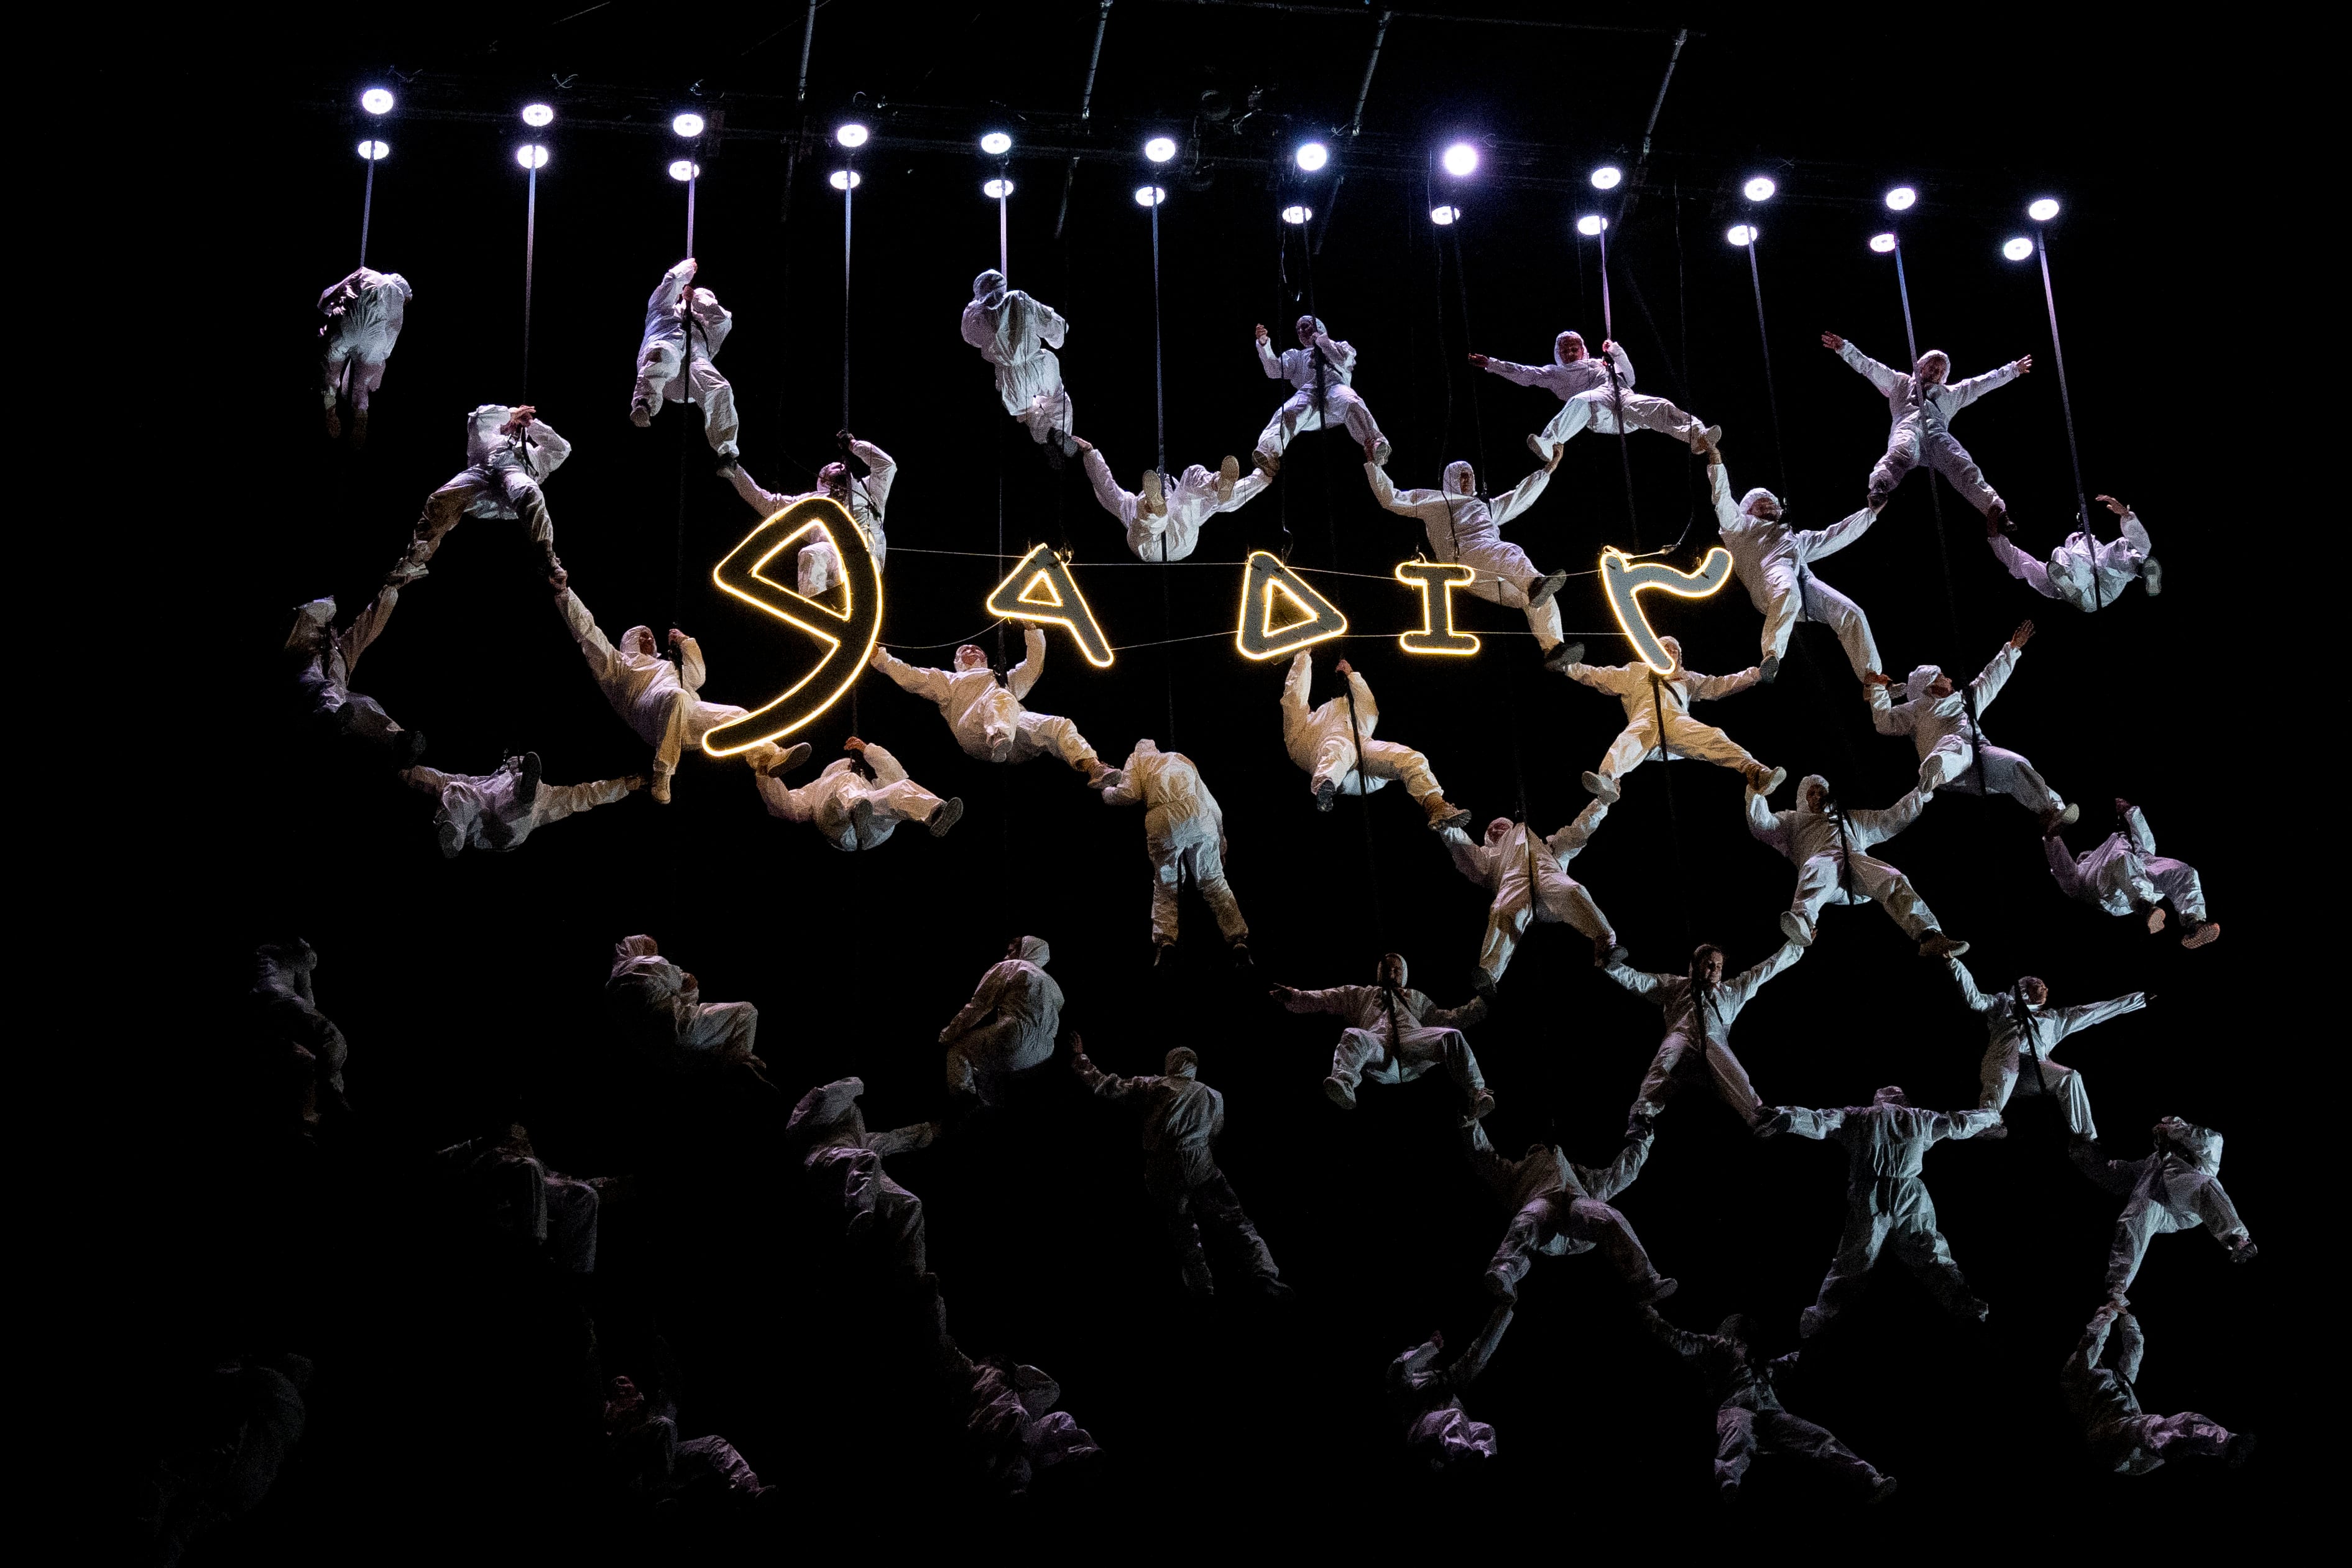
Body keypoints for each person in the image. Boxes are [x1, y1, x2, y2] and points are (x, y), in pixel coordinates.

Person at [1757, 1086, 2001, 1340]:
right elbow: (1958, 1123)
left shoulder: (1861, 1116)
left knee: (1853, 1263)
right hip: (1908, 1194)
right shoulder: (1919, 1117)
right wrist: (1991, 1117)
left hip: (1870, 1193)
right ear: (1904, 1102)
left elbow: (1821, 1121)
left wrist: (1784, 1117)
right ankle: (1968, 1311)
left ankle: (1819, 1329)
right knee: (1932, 1256)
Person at [1069, 1038, 1289, 1300]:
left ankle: (1203, 1290)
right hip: (1201, 1165)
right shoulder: (1212, 1095)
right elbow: (1214, 1135)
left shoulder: (1154, 1086)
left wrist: (1079, 1059)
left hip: (1163, 1168)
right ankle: (1264, 1274)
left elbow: (1106, 1086)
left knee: (1184, 1230)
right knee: (1237, 1223)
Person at [551, 577, 801, 804]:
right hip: (650, 716)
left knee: (736, 714)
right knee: (676, 696)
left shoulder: (669, 665)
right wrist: (564, 593)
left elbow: (698, 677)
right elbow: (587, 633)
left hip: (685, 716)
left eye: (650, 636)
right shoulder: (617, 667)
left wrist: (685, 642)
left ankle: (769, 757)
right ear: (629, 642)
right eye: (642, 637)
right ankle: (662, 774)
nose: (649, 640)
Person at [1637, 1304, 1898, 1506]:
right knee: (1738, 1431)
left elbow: (1794, 1360)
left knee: (1818, 1438)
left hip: (1771, 1415)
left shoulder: (1763, 1365)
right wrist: (1648, 1313)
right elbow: (1678, 1339)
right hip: (1735, 1408)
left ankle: (1870, 1479)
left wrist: (1821, 1334)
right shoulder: (1719, 1347)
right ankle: (1729, 1483)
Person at [1865, 621, 2077, 834]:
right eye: (1942, 677)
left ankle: (2052, 812)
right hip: (1951, 768)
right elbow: (1884, 722)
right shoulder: (1915, 709)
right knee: (1956, 744)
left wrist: (2013, 648)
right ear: (1930, 687)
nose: (1949, 679)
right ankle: (1935, 771)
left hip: (1981, 754)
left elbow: (1991, 678)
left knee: (2017, 763)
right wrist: (1878, 692)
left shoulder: (1966, 699)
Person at [1365, 448, 1573, 663]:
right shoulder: (1438, 501)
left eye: (1469, 477)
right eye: (1461, 477)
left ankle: (1554, 650)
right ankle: (1533, 582)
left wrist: (1549, 468)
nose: (1466, 481)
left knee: (1531, 597)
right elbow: (1393, 499)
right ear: (1451, 479)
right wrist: (1373, 466)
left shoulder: (1486, 507)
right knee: (1512, 554)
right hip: (1464, 557)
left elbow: (1520, 497)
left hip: (1485, 574)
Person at [1706, 448, 1883, 683]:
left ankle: (1872, 677)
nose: (1768, 506)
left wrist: (1870, 514)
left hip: (1802, 583)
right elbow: (1723, 501)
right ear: (1748, 509)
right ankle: (1772, 655)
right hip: (1770, 583)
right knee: (1788, 589)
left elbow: (1833, 536)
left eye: (1772, 504)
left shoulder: (1794, 539)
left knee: (1851, 612)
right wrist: (1716, 462)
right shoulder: (1739, 528)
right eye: (1761, 504)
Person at [1823, 331, 2031, 526]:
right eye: (1932, 368)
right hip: (1908, 426)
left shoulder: (1951, 394)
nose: (1936, 373)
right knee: (1902, 448)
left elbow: (1983, 383)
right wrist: (1845, 349)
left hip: (1936, 434)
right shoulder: (1901, 383)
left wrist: (2013, 370)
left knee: (1960, 462)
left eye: (1940, 371)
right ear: (1921, 367)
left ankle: (1995, 510)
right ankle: (1880, 487)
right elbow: (1871, 368)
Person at [1745, 775, 1965, 957]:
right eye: (1811, 793)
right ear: (1803, 798)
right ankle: (1803, 920)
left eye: (1821, 792)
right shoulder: (1792, 822)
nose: (1817, 796)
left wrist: (1921, 793)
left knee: (1893, 877)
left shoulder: (1849, 818)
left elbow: (1890, 819)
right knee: (1818, 864)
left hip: (1857, 869)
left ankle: (1929, 936)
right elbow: (1763, 825)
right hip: (1825, 878)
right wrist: (1755, 793)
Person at [1461, 1114, 1670, 1304]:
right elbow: (1484, 1157)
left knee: (1608, 1215)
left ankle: (1645, 1280)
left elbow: (1623, 1172)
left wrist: (1643, 1139)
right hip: (1546, 1222)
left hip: (1575, 1213)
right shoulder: (1517, 1172)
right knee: (1532, 1216)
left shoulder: (1580, 1174)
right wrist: (1470, 1121)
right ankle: (1505, 1272)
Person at [871, 629, 1115, 785]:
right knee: (1001, 698)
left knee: (1057, 724)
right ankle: (998, 735)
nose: (971, 649)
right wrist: (881, 659)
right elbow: (913, 677)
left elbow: (1033, 666)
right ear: (957, 663)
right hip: (974, 733)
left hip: (1012, 738)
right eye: (964, 650)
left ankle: (1093, 766)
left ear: (986, 658)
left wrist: (1031, 630)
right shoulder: (949, 680)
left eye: (976, 648)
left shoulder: (1003, 679)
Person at [1946, 956, 2146, 1144]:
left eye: (2043, 987)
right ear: (2023, 991)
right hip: (2005, 1063)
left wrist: (2143, 999)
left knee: (2071, 1077)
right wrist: (1953, 962)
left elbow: (2097, 1011)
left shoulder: (2054, 1019)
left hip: (2035, 1069)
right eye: (2036, 986)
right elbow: (1975, 999)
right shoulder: (2003, 1006)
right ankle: (1956, 1124)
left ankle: (2086, 1139)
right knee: (1990, 1115)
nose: (2043, 988)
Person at [1605, 941, 1802, 1129]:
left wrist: (1797, 944)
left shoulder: (1731, 992)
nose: (1715, 969)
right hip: (1682, 1040)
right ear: (1695, 965)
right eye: (1709, 964)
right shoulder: (1675, 987)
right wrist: (1611, 965)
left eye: (1719, 965)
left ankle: (1759, 1116)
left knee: (1733, 1069)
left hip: (1713, 1046)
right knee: (1666, 1060)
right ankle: (1642, 1116)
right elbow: (1640, 981)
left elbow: (1765, 970)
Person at [1271, 952, 1492, 1117]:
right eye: (1387, 969)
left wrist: (1482, 1004)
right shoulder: (1364, 995)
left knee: (1451, 1035)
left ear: (1404, 974)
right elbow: (1329, 997)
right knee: (1353, 1035)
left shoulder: (1415, 998)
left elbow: (1450, 1019)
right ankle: (1344, 1082)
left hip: (1412, 1041)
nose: (1391, 973)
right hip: (1379, 1045)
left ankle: (1477, 1093)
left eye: (1397, 969)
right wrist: (1295, 997)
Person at [1558, 636, 1784, 796]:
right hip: (1645, 721)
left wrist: (1755, 675)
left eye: (1676, 650)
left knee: (1714, 736)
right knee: (1629, 739)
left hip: (1676, 724)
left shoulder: (1687, 679)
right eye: (1666, 647)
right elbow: (1599, 675)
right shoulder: (1636, 671)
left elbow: (1720, 685)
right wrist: (1568, 668)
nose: (1671, 652)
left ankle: (1756, 772)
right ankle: (1607, 780)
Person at [1442, 804, 1625, 993]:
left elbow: (1578, 832)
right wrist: (1448, 827)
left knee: (1573, 891)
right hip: (1515, 885)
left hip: (1547, 876)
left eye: (1502, 825)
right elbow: (1464, 850)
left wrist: (1602, 804)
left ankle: (1606, 946)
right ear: (1488, 839)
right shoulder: (1489, 856)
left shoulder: (1547, 847)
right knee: (1503, 910)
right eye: (1491, 829)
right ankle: (1489, 973)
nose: (1497, 829)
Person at [1279, 650, 1470, 829]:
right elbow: (1294, 698)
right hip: (1331, 766)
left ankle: (1436, 805)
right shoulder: (1305, 730)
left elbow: (1369, 708)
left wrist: (1353, 676)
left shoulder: (1354, 717)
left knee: (1411, 758)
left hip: (1364, 767)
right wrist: (1302, 656)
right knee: (1338, 746)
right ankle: (1325, 786)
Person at [2070, 1117, 2258, 1298]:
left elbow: (2213, 1140)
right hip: (2162, 1210)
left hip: (2187, 1206)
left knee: (2201, 1184)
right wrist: (2085, 1154)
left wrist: (2173, 1129)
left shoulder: (2204, 1157)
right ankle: (2118, 1284)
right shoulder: (2152, 1163)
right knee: (2138, 1214)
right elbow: (2113, 1175)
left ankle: (2238, 1238)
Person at [2062, 1302, 2254, 1475]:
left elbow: (2135, 1348)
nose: (2101, 1360)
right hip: (2107, 1441)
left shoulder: (2120, 1378)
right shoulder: (2079, 1373)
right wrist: (2108, 1312)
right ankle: (2171, 1443)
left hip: (2141, 1452)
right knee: (2150, 1426)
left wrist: (2127, 1318)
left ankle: (2229, 1444)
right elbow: (2091, 1341)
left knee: (2187, 1421)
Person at [1101, 740, 1249, 963]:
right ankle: (1238, 938)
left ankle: (1166, 941)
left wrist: (1107, 792)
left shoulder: (1137, 759)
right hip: (1198, 814)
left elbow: (1128, 794)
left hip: (1163, 819)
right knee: (1214, 882)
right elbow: (1210, 802)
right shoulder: (1179, 758)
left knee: (1166, 884)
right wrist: (1221, 844)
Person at [1470, 330, 1718, 462]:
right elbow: (1524, 373)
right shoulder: (1556, 373)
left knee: (1660, 405)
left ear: (1582, 348)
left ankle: (1697, 435)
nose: (1569, 352)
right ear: (1559, 354)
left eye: (1573, 347)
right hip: (1600, 413)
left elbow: (1629, 379)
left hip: (1624, 401)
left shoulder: (1600, 364)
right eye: (1564, 349)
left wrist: (1616, 353)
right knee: (1581, 400)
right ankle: (1549, 443)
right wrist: (1492, 364)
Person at [391, 404, 570, 583]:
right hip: (482, 478)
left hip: (514, 483)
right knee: (441, 498)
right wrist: (510, 414)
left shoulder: (535, 456)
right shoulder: (487, 440)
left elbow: (562, 449)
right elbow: (479, 418)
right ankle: (416, 559)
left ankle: (546, 556)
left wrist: (532, 425)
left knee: (529, 490)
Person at [786, 1077, 940, 1282]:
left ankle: (913, 1272)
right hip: (824, 1160)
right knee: (866, 1159)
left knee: (910, 1204)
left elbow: (893, 1139)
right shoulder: (824, 1132)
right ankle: (861, 1213)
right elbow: (820, 1101)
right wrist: (856, 1085)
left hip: (854, 1169)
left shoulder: (862, 1141)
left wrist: (930, 1130)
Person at [719, 433, 895, 597]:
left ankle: (846, 598)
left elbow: (886, 466)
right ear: (824, 478)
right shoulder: (814, 502)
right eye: (836, 467)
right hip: (832, 552)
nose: (842, 467)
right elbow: (766, 502)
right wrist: (736, 472)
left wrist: (854, 446)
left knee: (848, 579)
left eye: (843, 466)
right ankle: (815, 605)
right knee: (811, 555)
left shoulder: (869, 491)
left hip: (865, 554)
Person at [435, 1123, 611, 1276]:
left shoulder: (516, 1125)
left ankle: (575, 1280)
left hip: (526, 1166)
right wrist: (480, 1142)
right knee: (528, 1168)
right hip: (486, 1168)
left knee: (584, 1195)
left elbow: (540, 1166)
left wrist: (572, 1182)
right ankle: (534, 1251)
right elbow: (440, 1159)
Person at [2046, 798, 2219, 949]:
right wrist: (2052, 839)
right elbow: (2063, 868)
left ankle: (2194, 922)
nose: (2087, 855)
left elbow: (2145, 843)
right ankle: (2144, 906)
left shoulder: (2120, 847)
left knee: (2183, 872)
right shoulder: (2080, 876)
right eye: (2083, 857)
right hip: (2113, 893)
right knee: (2124, 861)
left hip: (2139, 877)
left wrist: (2131, 812)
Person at [400, 752, 642, 857]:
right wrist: (406, 772)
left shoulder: (547, 795)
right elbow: (438, 780)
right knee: (457, 789)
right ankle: (452, 835)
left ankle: (523, 799)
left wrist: (622, 786)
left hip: (512, 827)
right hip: (480, 829)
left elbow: (586, 795)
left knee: (523, 803)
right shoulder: (483, 783)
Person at [284, 588, 424, 767]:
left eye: (327, 627)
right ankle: (328, 719)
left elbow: (367, 627)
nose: (326, 631)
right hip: (308, 700)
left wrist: (391, 590)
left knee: (364, 703)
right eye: (320, 627)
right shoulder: (302, 656)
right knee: (329, 688)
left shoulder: (339, 653)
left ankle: (397, 741)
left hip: (340, 704)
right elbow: (298, 630)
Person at [753, 737, 961, 851]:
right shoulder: (820, 787)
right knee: (848, 781)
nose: (854, 767)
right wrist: (765, 776)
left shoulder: (872, 785)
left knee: (901, 788)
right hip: (842, 829)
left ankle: (936, 814)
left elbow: (897, 775)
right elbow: (788, 807)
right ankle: (855, 806)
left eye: (856, 765)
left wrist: (867, 749)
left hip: (871, 826)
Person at [1076, 437, 1263, 561]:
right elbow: (1107, 488)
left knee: (1194, 475)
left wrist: (1090, 453)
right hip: (1162, 544)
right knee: (1148, 512)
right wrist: (1091, 454)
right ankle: (1154, 511)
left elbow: (1107, 487)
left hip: (1170, 538)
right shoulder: (1134, 503)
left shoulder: (1179, 499)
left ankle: (1217, 486)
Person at [606, 934, 766, 1077]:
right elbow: (683, 986)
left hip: (661, 1049)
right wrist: (687, 980)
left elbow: (680, 997)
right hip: (679, 1027)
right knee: (746, 1011)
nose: (655, 954)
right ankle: (740, 1065)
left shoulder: (613, 990)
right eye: (650, 950)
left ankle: (728, 1067)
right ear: (637, 949)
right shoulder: (642, 964)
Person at [629, 257, 737, 456]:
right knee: (665, 355)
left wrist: (696, 298)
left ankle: (726, 452)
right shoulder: (662, 309)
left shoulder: (708, 330)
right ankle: (644, 403)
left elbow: (720, 318)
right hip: (660, 359)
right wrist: (687, 269)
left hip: (690, 372)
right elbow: (671, 280)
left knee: (720, 387)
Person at [1252, 315, 1388, 472]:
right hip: (1310, 392)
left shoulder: (1340, 345)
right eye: (1299, 329)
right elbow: (1275, 369)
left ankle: (1374, 444)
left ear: (1319, 327)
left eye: (1306, 326)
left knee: (1352, 401)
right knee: (1287, 412)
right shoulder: (1297, 355)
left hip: (1335, 387)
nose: (1302, 331)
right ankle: (1268, 451)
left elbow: (1343, 360)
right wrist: (1264, 345)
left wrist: (1322, 341)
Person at [939, 936, 1063, 1107]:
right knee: (989, 1065)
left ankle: (963, 1106)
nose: (1007, 956)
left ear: (1026, 951)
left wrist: (949, 1034)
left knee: (959, 1050)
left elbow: (978, 1006)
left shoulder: (1013, 966)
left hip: (1017, 1034)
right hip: (1045, 1051)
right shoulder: (1054, 986)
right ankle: (988, 1110)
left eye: (1011, 951)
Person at [962, 269, 1075, 454]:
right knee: (1057, 398)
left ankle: (1048, 434)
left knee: (1027, 413)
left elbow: (972, 340)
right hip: (1038, 364)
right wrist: (1058, 334)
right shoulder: (1018, 298)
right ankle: (1061, 438)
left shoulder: (973, 315)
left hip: (1011, 378)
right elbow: (1050, 324)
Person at [1387, 1306, 1514, 1470]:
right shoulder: (1403, 1383)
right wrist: (1429, 1347)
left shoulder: (1445, 1378)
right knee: (1452, 1416)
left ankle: (1484, 1460)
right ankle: (1462, 1458)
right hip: (1419, 1433)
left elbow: (1478, 1355)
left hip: (1443, 1446)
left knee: (1484, 1430)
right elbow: (1404, 1366)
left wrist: (1504, 1311)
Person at [1991, 492, 2161, 611]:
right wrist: (1996, 540)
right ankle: (2068, 583)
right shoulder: (2065, 557)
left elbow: (2137, 545)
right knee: (2060, 555)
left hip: (2105, 583)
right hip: (2085, 594)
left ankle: (2143, 568)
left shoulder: (2100, 555)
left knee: (2123, 546)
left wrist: (2125, 514)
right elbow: (2022, 564)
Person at [249, 939, 350, 1130]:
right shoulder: (270, 950)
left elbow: (306, 992)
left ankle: (308, 1120)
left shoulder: (292, 967)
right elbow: (305, 960)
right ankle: (329, 1098)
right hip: (272, 999)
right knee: (331, 1039)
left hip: (272, 1016)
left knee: (308, 1064)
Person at [964, 1358, 1101, 1497]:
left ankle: (1085, 1455)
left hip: (1018, 1441)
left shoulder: (1017, 1392)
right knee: (1017, 1416)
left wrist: (1020, 1370)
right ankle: (1009, 1488)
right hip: (987, 1439)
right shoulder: (975, 1376)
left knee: (1060, 1418)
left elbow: (1051, 1389)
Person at [316, 265, 410, 441]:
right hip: (373, 339)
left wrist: (331, 308)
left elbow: (328, 297)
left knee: (331, 369)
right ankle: (361, 411)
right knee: (362, 385)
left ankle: (329, 407)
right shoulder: (396, 294)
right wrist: (379, 359)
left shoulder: (363, 273)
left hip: (346, 328)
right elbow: (393, 331)